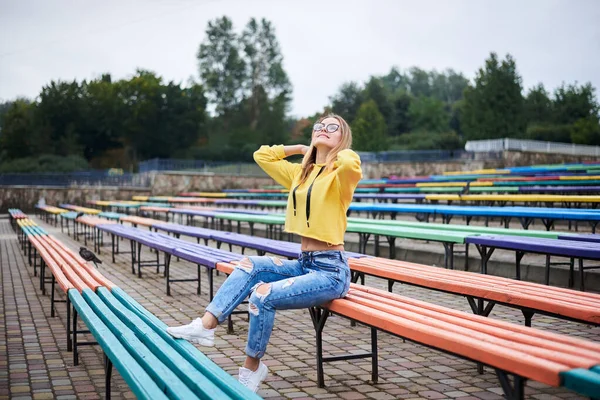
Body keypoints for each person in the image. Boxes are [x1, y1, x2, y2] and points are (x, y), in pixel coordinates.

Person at [167, 114, 362, 392]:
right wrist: (299, 150)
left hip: (331, 271)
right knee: (250, 265)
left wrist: (334, 151)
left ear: (342, 137)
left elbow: (352, 164)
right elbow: (263, 156)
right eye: (319, 126)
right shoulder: (300, 174)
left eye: (333, 128)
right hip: (305, 263)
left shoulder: (341, 176)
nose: (324, 129)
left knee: (262, 294)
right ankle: (206, 326)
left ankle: (252, 368)